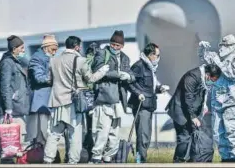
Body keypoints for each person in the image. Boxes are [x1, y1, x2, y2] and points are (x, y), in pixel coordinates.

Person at [43, 36, 109, 164]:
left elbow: (49, 81)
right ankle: (72, 162)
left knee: (54, 133)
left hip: (57, 102)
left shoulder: (53, 60)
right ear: (77, 46)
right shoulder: (81, 61)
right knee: (75, 134)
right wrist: (102, 71)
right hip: (73, 103)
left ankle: (47, 159)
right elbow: (90, 79)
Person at [198, 34, 235, 162]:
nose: (222, 48)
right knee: (217, 133)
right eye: (222, 45)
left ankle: (234, 158)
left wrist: (218, 62)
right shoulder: (218, 59)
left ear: (233, 47)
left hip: (232, 103)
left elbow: (232, 74)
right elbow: (204, 58)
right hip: (218, 103)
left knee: (231, 132)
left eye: (226, 45)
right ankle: (225, 158)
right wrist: (202, 49)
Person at [91, 30, 135, 163]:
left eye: (117, 45)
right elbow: (98, 70)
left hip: (119, 100)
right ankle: (96, 156)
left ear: (122, 46)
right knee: (102, 130)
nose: (114, 47)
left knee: (114, 133)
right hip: (104, 98)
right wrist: (117, 74)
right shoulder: (102, 53)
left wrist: (129, 77)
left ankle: (109, 156)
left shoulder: (125, 58)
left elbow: (131, 75)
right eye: (113, 44)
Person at [165, 64, 222, 163]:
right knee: (184, 138)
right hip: (180, 111)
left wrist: (203, 106)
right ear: (208, 75)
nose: (213, 82)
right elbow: (188, 98)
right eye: (213, 79)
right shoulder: (191, 77)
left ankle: (190, 161)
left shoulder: (203, 79)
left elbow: (201, 93)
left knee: (193, 137)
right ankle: (178, 162)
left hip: (189, 111)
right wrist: (193, 117)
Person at [127, 43, 169, 163]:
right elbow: (129, 82)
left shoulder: (150, 68)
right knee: (143, 135)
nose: (158, 58)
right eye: (157, 55)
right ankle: (140, 160)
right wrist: (138, 93)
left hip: (149, 106)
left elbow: (148, 87)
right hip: (141, 106)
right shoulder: (139, 66)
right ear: (151, 55)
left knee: (147, 135)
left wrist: (159, 89)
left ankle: (142, 159)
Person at [0, 35, 31, 163]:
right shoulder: (7, 63)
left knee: (17, 140)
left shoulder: (15, 61)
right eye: (21, 48)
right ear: (14, 48)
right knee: (8, 141)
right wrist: (8, 108)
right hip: (10, 108)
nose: (23, 50)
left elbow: (28, 63)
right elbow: (5, 86)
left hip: (17, 107)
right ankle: (6, 163)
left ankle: (9, 162)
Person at [26, 34, 58, 146]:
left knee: (44, 133)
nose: (54, 52)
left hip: (45, 101)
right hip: (39, 101)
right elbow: (39, 78)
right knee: (41, 133)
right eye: (53, 49)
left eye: (56, 50)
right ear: (45, 47)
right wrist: (54, 77)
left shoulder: (46, 57)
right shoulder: (37, 58)